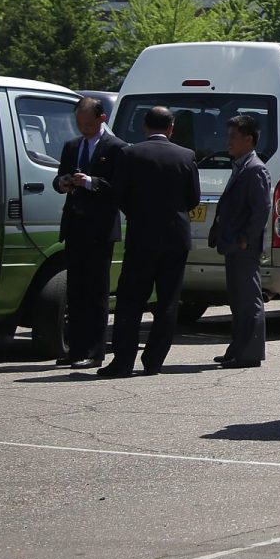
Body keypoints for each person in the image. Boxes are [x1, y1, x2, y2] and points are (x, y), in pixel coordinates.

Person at [97, 106, 201, 379]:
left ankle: (122, 361)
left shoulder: (130, 154)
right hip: (176, 238)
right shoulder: (186, 156)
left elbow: (118, 194)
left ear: (145, 127)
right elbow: (193, 199)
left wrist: (139, 214)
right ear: (171, 127)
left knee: (130, 300)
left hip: (142, 236)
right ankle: (154, 360)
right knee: (167, 301)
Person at [53, 96, 126, 369]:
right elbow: (60, 178)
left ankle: (95, 350)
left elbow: (119, 187)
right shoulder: (72, 146)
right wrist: (63, 183)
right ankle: (75, 347)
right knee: (76, 290)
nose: (83, 128)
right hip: (75, 226)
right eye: (79, 123)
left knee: (96, 291)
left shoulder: (116, 147)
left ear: (101, 119)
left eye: (88, 123)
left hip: (100, 229)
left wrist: (92, 182)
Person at [211, 113, 269, 369]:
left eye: (233, 137)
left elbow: (261, 209)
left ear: (248, 139)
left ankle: (250, 352)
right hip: (232, 244)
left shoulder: (256, 169)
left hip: (243, 246)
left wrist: (246, 239)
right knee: (237, 299)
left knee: (249, 300)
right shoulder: (241, 165)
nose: (229, 142)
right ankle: (237, 348)